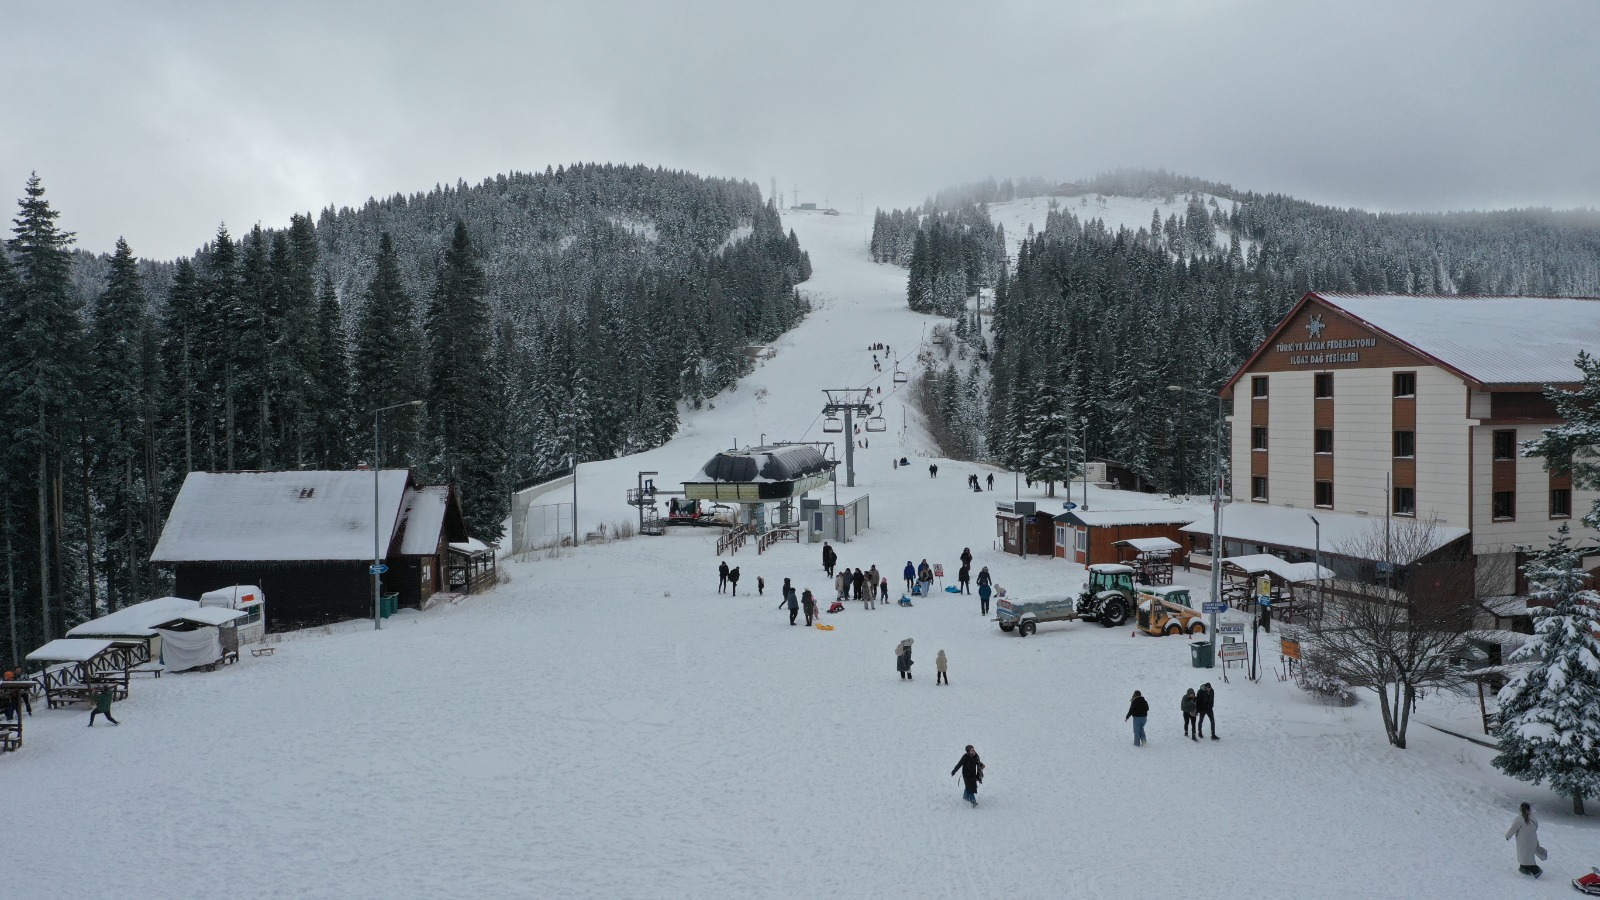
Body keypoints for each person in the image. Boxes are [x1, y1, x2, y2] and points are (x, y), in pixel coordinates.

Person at [1506, 803, 1545, 877]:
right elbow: (1536, 827)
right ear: (1529, 809)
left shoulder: (1519, 818)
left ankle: (1535, 870)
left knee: (1524, 855)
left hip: (1523, 840)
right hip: (1532, 839)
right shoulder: (1533, 817)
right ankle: (1524, 868)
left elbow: (1513, 828)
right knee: (1528, 855)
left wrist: (1507, 836)